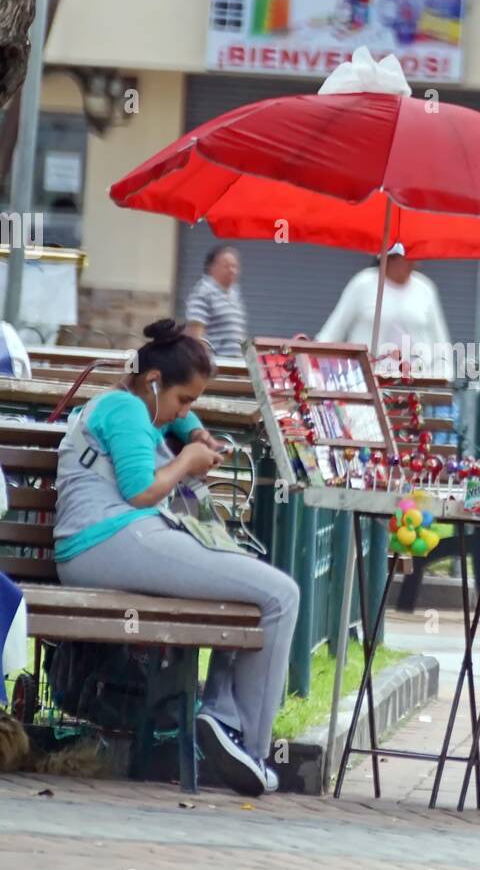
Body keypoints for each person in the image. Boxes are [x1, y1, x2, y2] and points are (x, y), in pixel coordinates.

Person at [53, 319, 299, 797]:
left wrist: (195, 428)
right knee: (280, 595)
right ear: (154, 382)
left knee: (246, 594)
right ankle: (251, 747)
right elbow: (142, 490)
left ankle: (225, 720)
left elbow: (171, 413)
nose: (185, 412)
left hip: (108, 544)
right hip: (113, 540)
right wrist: (187, 462)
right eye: (185, 400)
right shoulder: (126, 411)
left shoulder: (128, 399)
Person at [317, 242, 450, 376]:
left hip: (415, 385)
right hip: (368, 382)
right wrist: (317, 368)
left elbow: (441, 344)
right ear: (389, 257)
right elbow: (332, 333)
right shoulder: (362, 285)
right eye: (408, 256)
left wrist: (443, 378)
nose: (414, 262)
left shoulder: (425, 289)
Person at [185, 246, 247, 358]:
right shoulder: (204, 291)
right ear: (212, 268)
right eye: (226, 266)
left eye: (234, 266)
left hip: (236, 367)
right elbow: (195, 335)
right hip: (217, 366)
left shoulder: (233, 292)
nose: (232, 270)